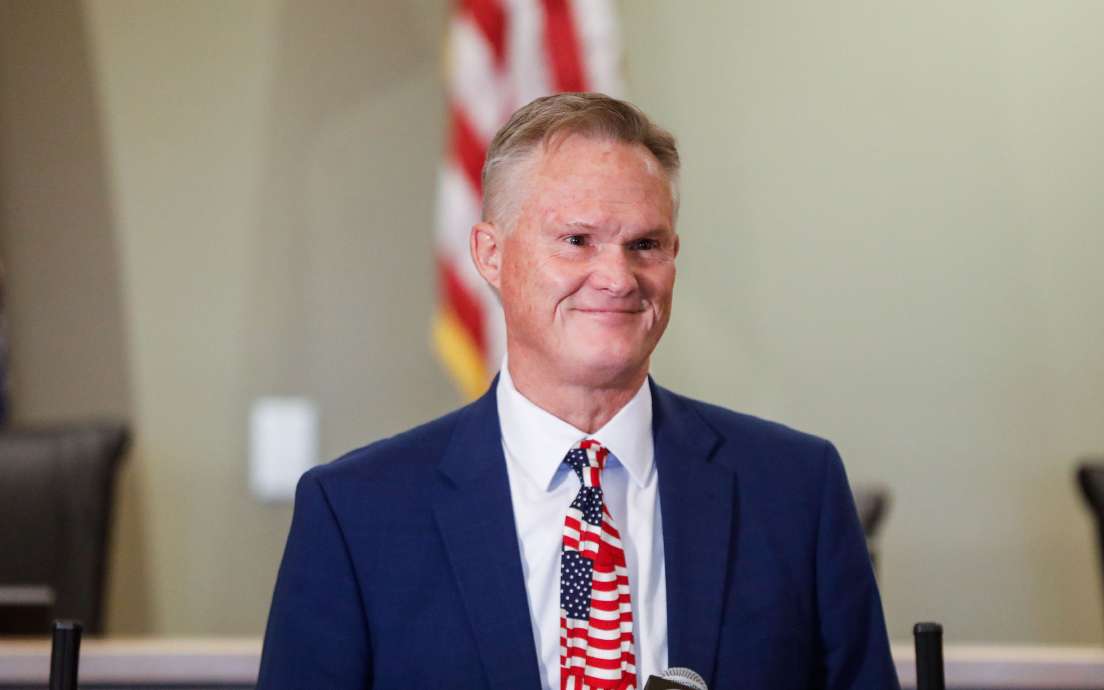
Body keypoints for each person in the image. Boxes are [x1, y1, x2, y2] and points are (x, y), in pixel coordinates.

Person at [257, 93, 899, 690]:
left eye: (645, 245)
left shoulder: (795, 490)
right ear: (489, 254)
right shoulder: (356, 514)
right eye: (577, 241)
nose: (617, 278)